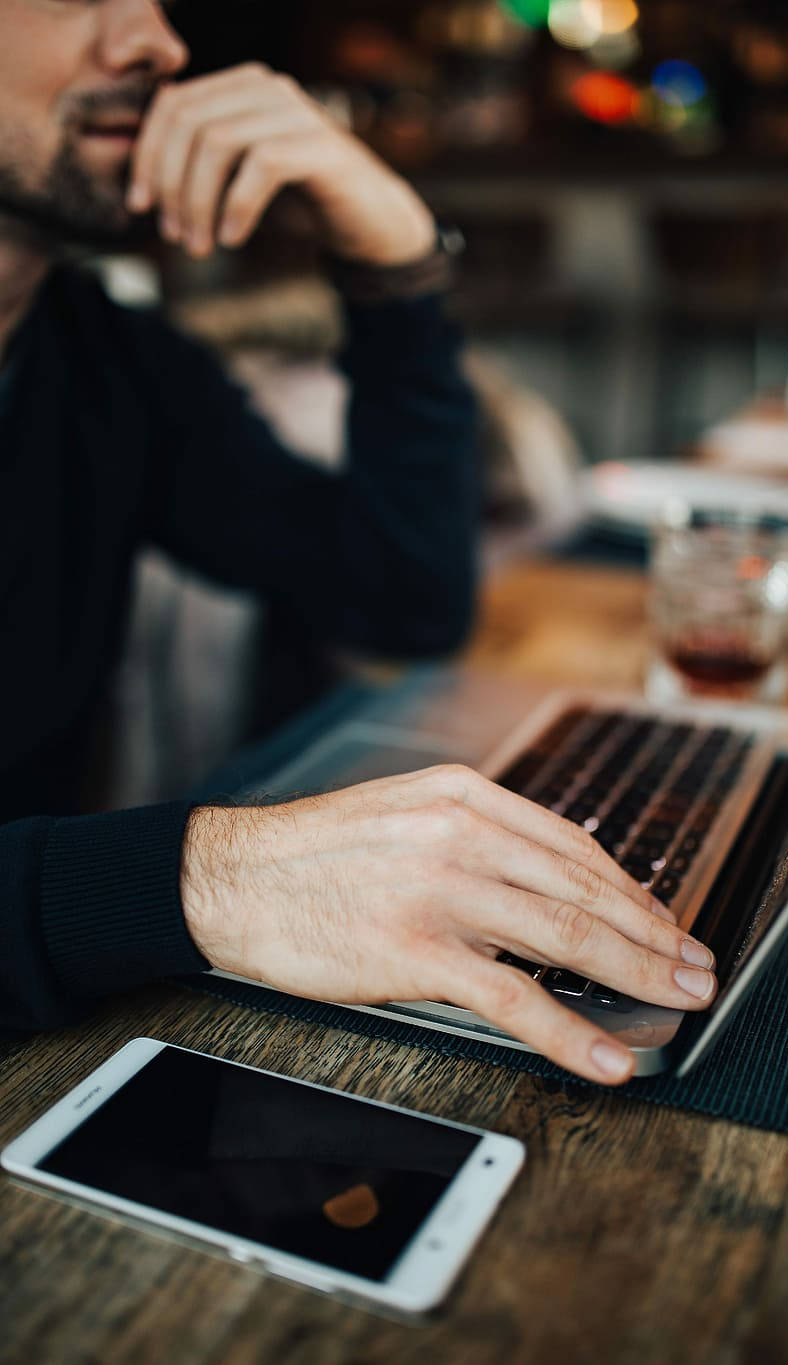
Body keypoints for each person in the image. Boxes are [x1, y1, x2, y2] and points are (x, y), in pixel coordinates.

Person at [0, 0, 717, 1082]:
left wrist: (391, 255)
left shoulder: (100, 358)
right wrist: (202, 879)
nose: (156, 44)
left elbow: (402, 597)